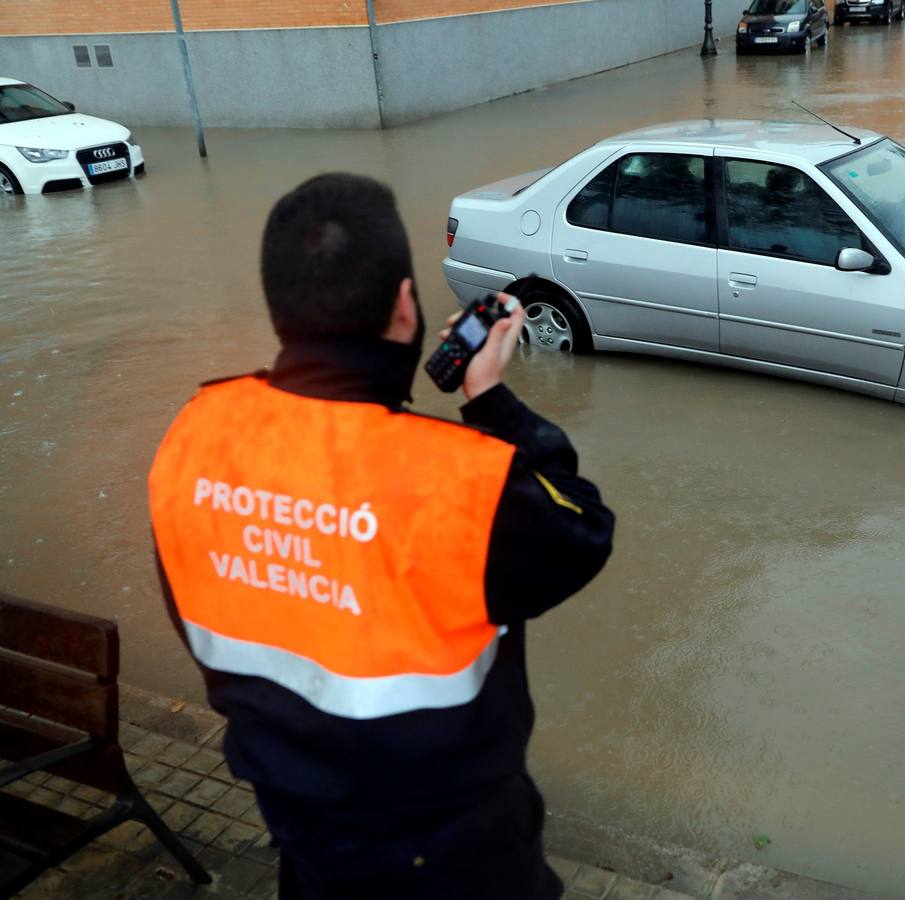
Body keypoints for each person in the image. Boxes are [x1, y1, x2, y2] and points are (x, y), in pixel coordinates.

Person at [148, 173, 613, 899]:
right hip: (458, 861)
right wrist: (491, 400)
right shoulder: (461, 481)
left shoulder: (193, 436)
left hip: (306, 842)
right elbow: (582, 531)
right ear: (405, 306)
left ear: (281, 310)